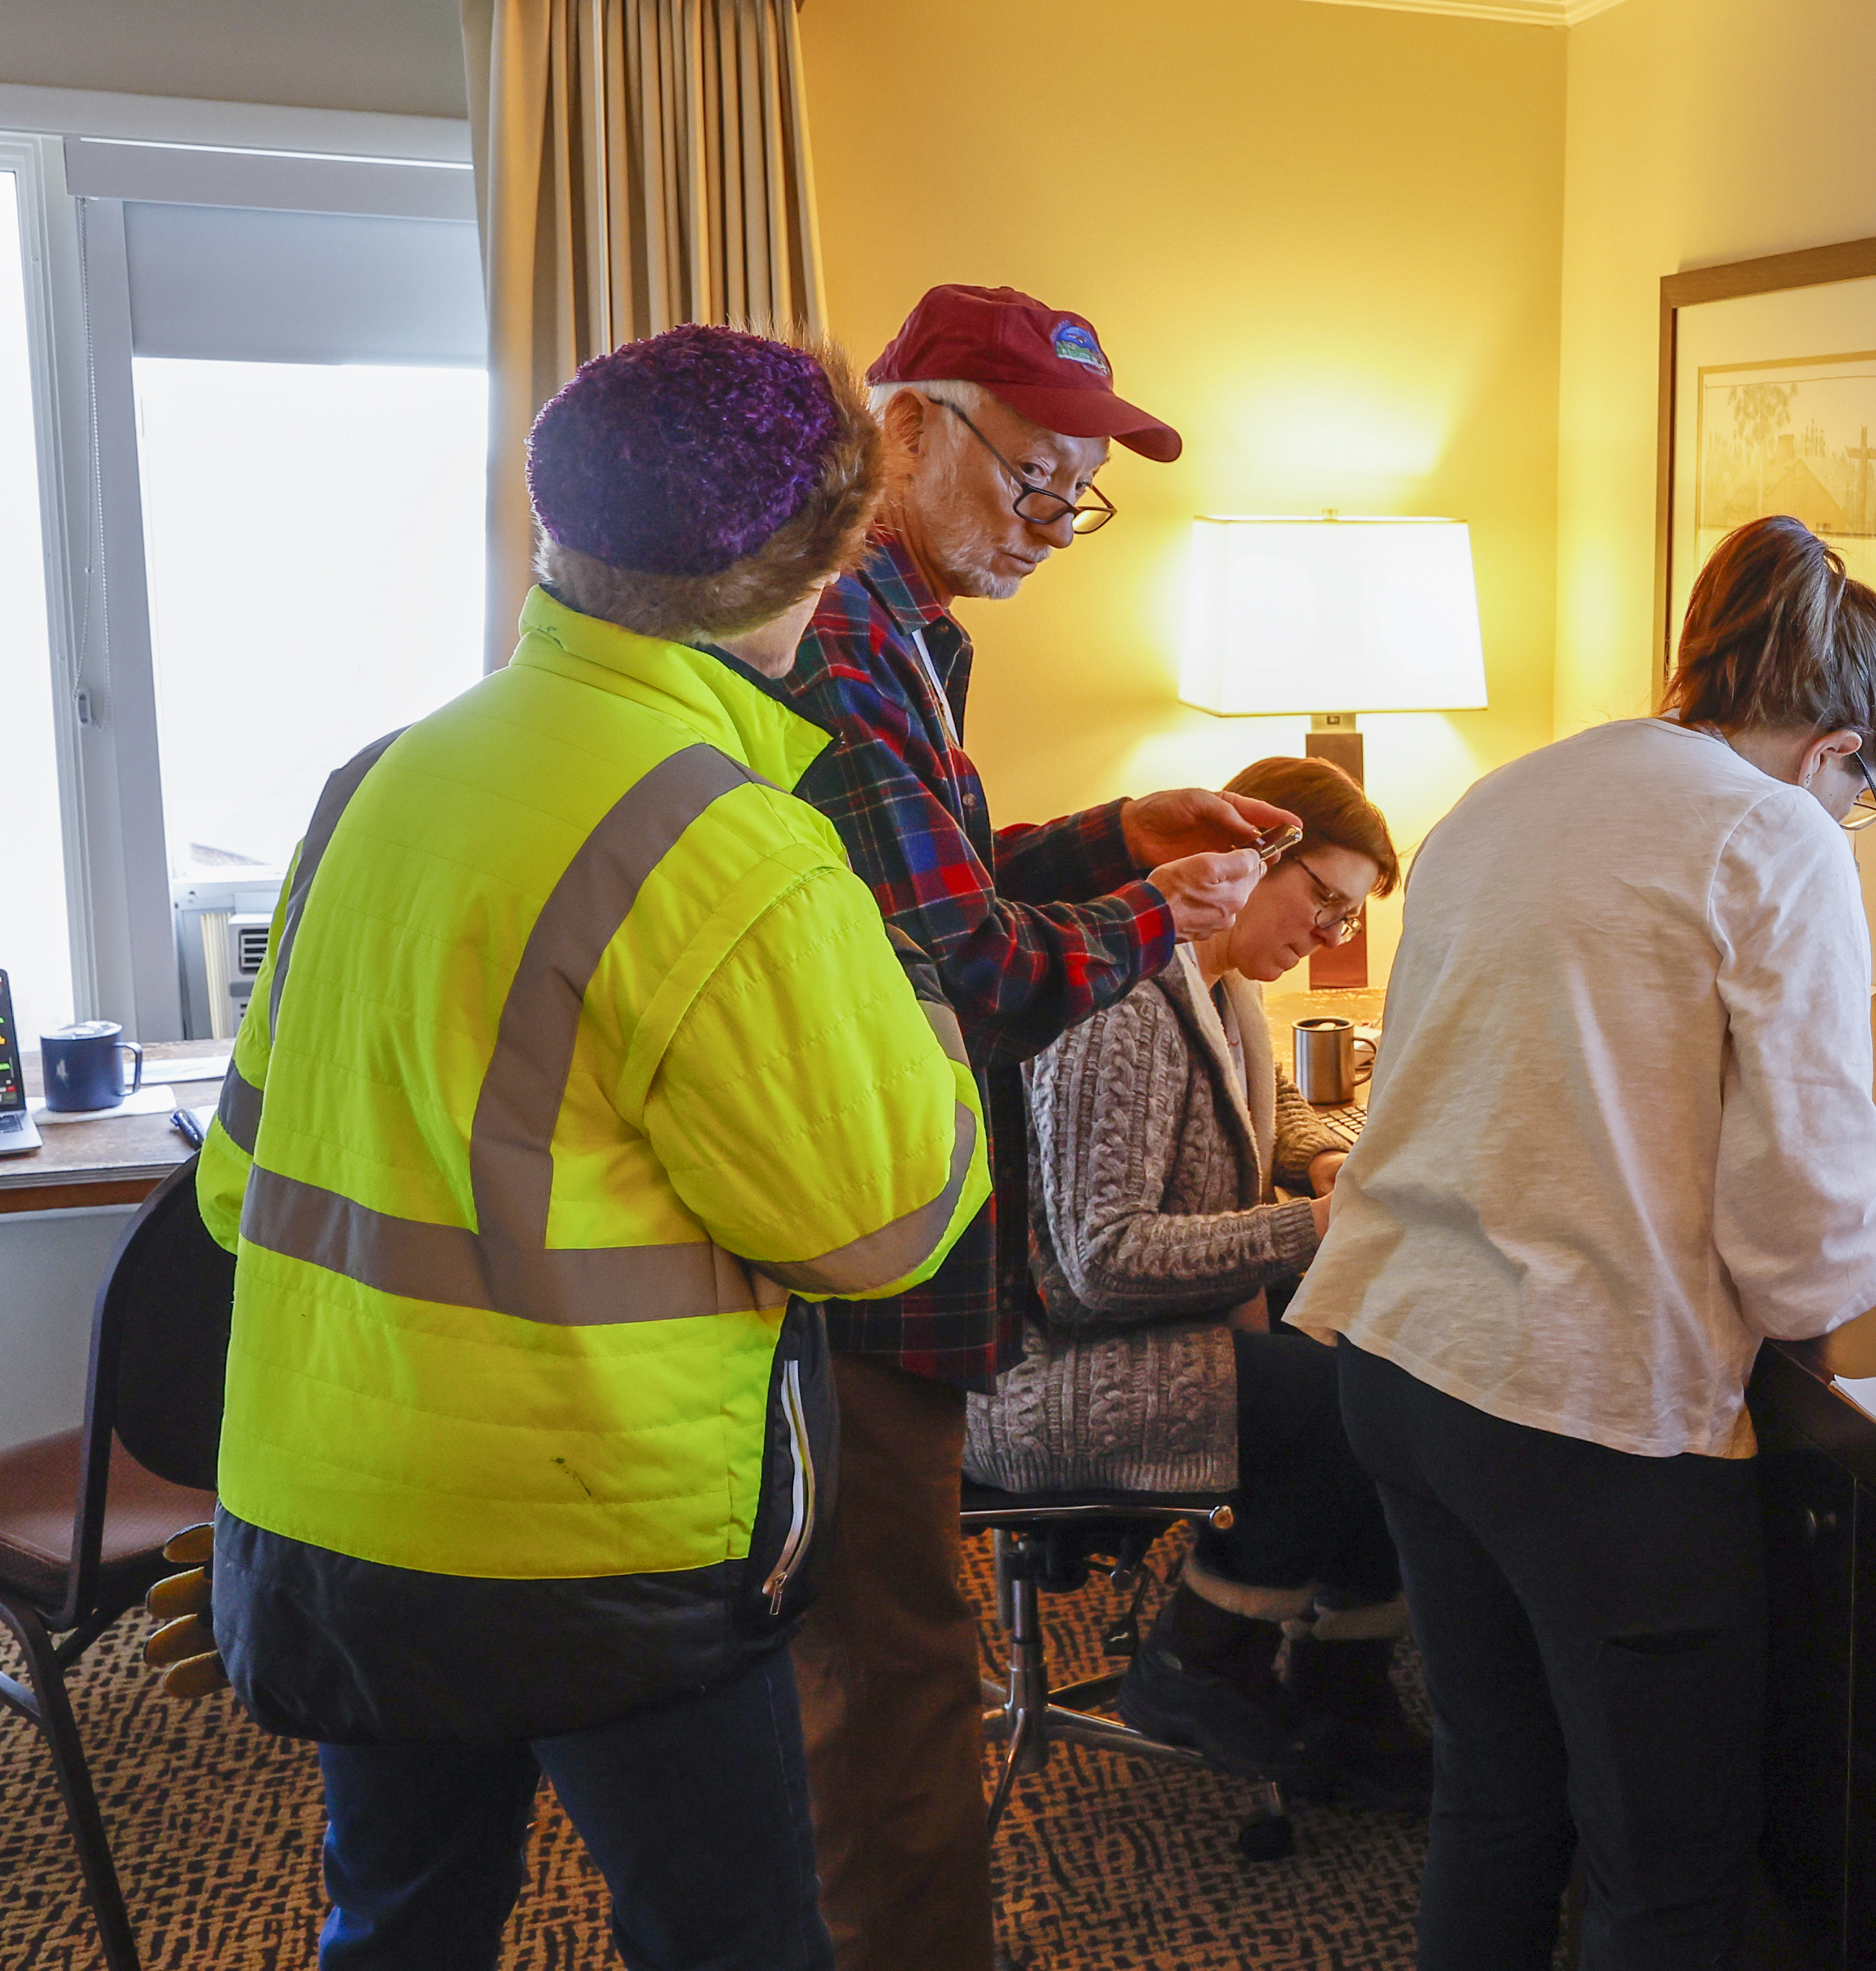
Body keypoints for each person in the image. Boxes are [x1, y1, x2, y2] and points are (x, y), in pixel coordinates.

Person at [194, 327, 990, 1971]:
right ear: (828, 559)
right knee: (731, 1939)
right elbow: (890, 1220)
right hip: (597, 1546)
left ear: (556, 524)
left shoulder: (376, 780)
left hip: (330, 1510)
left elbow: (232, 1180)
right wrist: (920, 1007)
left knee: (399, 1923)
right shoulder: (732, 845)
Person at [1291, 515, 1876, 1968]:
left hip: (1401, 1351)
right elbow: (1804, 1246)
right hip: (1579, 1412)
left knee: (1499, 1798)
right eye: (1869, 793)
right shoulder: (1773, 839)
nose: (1854, 822)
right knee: (1668, 1867)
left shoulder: (1515, 790)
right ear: (1836, 746)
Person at [777, 283, 1293, 1971]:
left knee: (896, 1671)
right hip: (864, 1244)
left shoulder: (915, 634)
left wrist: (1111, 835)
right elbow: (972, 973)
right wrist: (1168, 911)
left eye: (1084, 493)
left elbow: (948, 884)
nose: (1060, 524)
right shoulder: (840, 639)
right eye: (1035, 479)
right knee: (905, 1685)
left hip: (908, 1227)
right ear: (907, 427)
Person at [962, 756, 1424, 1806]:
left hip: (1133, 1339)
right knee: (1347, 1402)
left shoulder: (1215, 984)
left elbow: (1238, 1113)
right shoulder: (1124, 1001)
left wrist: (1312, 1156)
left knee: (1390, 1365)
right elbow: (1097, 1263)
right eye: (1326, 902)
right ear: (1253, 857)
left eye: (1351, 917)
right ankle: (1200, 1655)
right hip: (1050, 1369)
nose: (1332, 934)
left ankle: (1343, 1686)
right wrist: (1311, 1225)